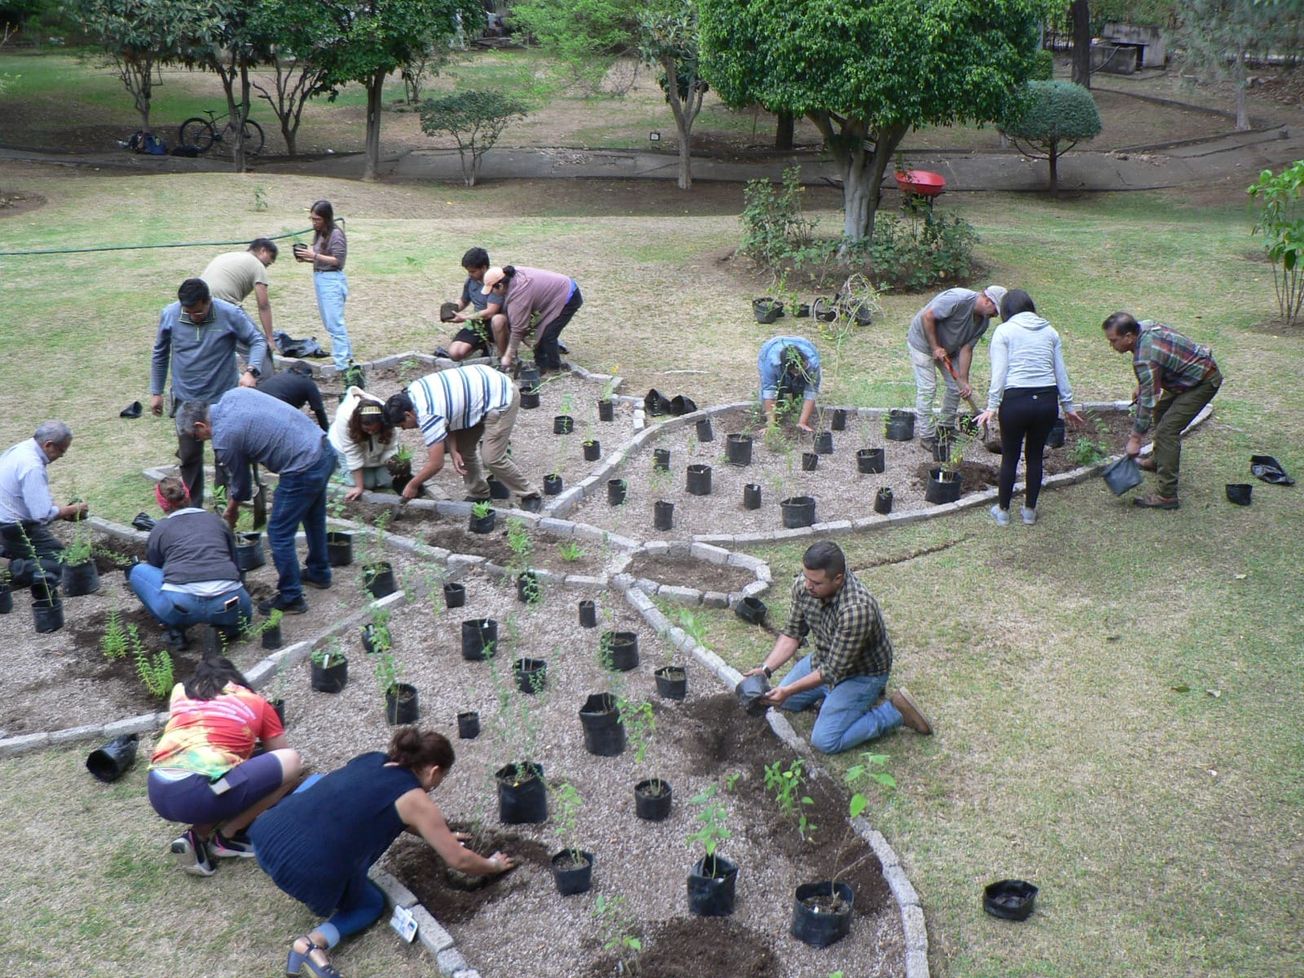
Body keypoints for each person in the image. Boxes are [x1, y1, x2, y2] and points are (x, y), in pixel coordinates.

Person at [250, 728, 514, 978]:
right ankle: (311, 944)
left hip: (264, 836)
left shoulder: (373, 759)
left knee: (320, 782)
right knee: (371, 903)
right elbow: (459, 860)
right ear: (434, 772)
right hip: (303, 872)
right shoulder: (416, 799)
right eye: (441, 779)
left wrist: (438, 834)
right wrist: (493, 865)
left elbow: (375, 806)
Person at [744, 541, 932, 754]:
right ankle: (832, 698)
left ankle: (894, 712)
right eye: (805, 576)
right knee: (786, 702)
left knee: (825, 741)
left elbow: (832, 671)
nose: (807, 585)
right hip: (824, 659)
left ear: (838, 579)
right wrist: (766, 669)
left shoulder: (857, 610)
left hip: (861, 674)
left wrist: (787, 690)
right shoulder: (804, 587)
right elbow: (792, 634)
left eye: (815, 582)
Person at [176, 388, 335, 615]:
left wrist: (231, 512)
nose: (199, 440)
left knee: (279, 533)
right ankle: (320, 572)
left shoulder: (224, 437)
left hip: (303, 467)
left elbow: (241, 487)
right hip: (323, 449)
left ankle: (292, 597)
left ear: (201, 426)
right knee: (313, 516)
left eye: (195, 436)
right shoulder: (234, 395)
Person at [148, 655, 303, 877]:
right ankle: (227, 837)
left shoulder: (180, 691)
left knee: (220, 781)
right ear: (236, 679)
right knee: (291, 762)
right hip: (197, 792)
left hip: (158, 789)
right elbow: (280, 752)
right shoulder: (254, 701)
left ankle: (196, 837)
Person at [149, 277, 268, 507]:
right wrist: (156, 391)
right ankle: (193, 507)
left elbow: (257, 340)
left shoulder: (229, 313)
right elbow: (160, 353)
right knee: (189, 457)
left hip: (221, 400)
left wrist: (252, 371)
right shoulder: (170, 315)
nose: (194, 316)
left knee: (225, 456)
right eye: (189, 312)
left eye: (199, 312)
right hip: (186, 400)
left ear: (209, 301)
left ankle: (223, 503)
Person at [974, 290, 1085, 526]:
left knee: (1010, 457)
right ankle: (1029, 512)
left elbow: (999, 374)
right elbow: (1060, 372)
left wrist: (992, 406)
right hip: (1046, 402)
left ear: (1006, 311)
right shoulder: (1050, 331)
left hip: (1016, 402)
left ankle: (1003, 512)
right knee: (1035, 457)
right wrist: (1068, 405)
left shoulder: (1003, 331)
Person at [1102, 312, 1222, 510]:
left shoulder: (1144, 358)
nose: (1111, 346)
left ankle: (1167, 495)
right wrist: (1143, 384)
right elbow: (1158, 363)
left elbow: (1148, 401)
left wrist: (1135, 439)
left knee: (1167, 431)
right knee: (1161, 412)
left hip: (1202, 381)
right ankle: (1158, 460)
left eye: (1113, 341)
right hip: (1184, 377)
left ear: (1129, 337)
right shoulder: (1145, 327)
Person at [383, 365, 541, 511]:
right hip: (477, 399)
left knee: (492, 458)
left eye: (402, 425)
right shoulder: (412, 393)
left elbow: (436, 464)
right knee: (461, 450)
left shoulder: (427, 414)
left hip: (501, 397)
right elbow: (449, 418)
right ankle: (479, 494)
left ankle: (530, 494)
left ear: (407, 414)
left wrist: (413, 485)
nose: (404, 429)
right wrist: (453, 450)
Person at [127, 476, 253, 651]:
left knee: (138, 571)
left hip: (182, 605)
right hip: (231, 602)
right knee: (234, 610)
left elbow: (155, 566)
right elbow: (235, 562)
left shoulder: (160, 530)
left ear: (163, 505)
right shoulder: (216, 521)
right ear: (188, 496)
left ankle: (175, 632)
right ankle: (229, 630)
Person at [907, 285, 1006, 449]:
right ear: (987, 300)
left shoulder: (983, 323)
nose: (995, 315)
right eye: (995, 311)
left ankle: (945, 427)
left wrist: (964, 380)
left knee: (956, 387)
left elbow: (967, 349)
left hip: (949, 349)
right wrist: (935, 347)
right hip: (923, 343)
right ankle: (927, 436)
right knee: (928, 388)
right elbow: (927, 316)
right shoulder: (958, 299)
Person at [0, 421, 88, 586]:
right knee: (61, 564)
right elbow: (42, 516)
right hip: (15, 528)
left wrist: (59, 508)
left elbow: (31, 496)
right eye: (61, 451)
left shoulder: (20, 449)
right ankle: (8, 566)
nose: (61, 456)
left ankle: (9, 551)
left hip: (5, 520)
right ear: (49, 445)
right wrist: (71, 509)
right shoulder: (32, 466)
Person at [482, 264, 582, 373]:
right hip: (557, 291)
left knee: (548, 334)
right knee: (538, 331)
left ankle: (553, 368)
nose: (491, 293)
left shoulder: (519, 295)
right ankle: (541, 365)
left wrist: (507, 356)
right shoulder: (512, 275)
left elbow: (518, 330)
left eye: (492, 290)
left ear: (500, 286)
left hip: (568, 295)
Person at [201, 238, 279, 361]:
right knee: (258, 346)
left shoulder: (228, 256)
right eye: (268, 263)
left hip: (200, 304)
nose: (266, 267)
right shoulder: (257, 265)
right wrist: (269, 338)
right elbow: (263, 305)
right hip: (224, 304)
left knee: (218, 350)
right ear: (263, 250)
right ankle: (265, 378)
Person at [296, 199, 351, 372]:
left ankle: (342, 365)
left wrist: (314, 256)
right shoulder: (320, 233)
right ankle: (346, 358)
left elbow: (338, 260)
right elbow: (320, 257)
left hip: (332, 281)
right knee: (330, 323)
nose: (314, 223)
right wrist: (306, 258)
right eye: (312, 219)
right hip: (320, 278)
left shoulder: (336, 234)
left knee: (335, 324)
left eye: (317, 219)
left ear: (326, 218)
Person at [436, 247, 509, 362]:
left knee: (497, 320)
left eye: (473, 271)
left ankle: (503, 356)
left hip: (496, 323)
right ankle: (483, 345)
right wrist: (452, 310)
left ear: (484, 268)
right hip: (478, 322)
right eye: (468, 271)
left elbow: (490, 312)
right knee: (455, 353)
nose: (470, 274)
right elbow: (464, 300)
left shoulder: (495, 281)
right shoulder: (470, 281)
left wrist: (464, 318)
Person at [329, 387, 398, 501]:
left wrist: (390, 460)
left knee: (387, 481)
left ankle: (370, 469)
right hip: (343, 449)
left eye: (375, 430)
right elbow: (353, 453)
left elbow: (391, 447)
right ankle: (338, 468)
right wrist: (359, 487)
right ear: (358, 424)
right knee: (368, 484)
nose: (371, 432)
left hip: (375, 451)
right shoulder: (345, 419)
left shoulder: (387, 417)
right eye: (367, 429)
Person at [758, 336, 822, 432]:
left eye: (802, 368)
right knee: (779, 390)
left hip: (803, 343)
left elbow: (811, 392)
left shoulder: (813, 363)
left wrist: (802, 423)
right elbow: (769, 393)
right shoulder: (771, 364)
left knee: (800, 389)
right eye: (795, 371)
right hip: (770, 348)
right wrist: (771, 426)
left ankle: (798, 412)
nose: (799, 372)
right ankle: (776, 415)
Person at [258, 362, 329, 430]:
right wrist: (327, 434)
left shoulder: (279, 376)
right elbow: (319, 411)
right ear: (309, 375)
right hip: (274, 412)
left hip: (255, 403)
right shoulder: (307, 382)